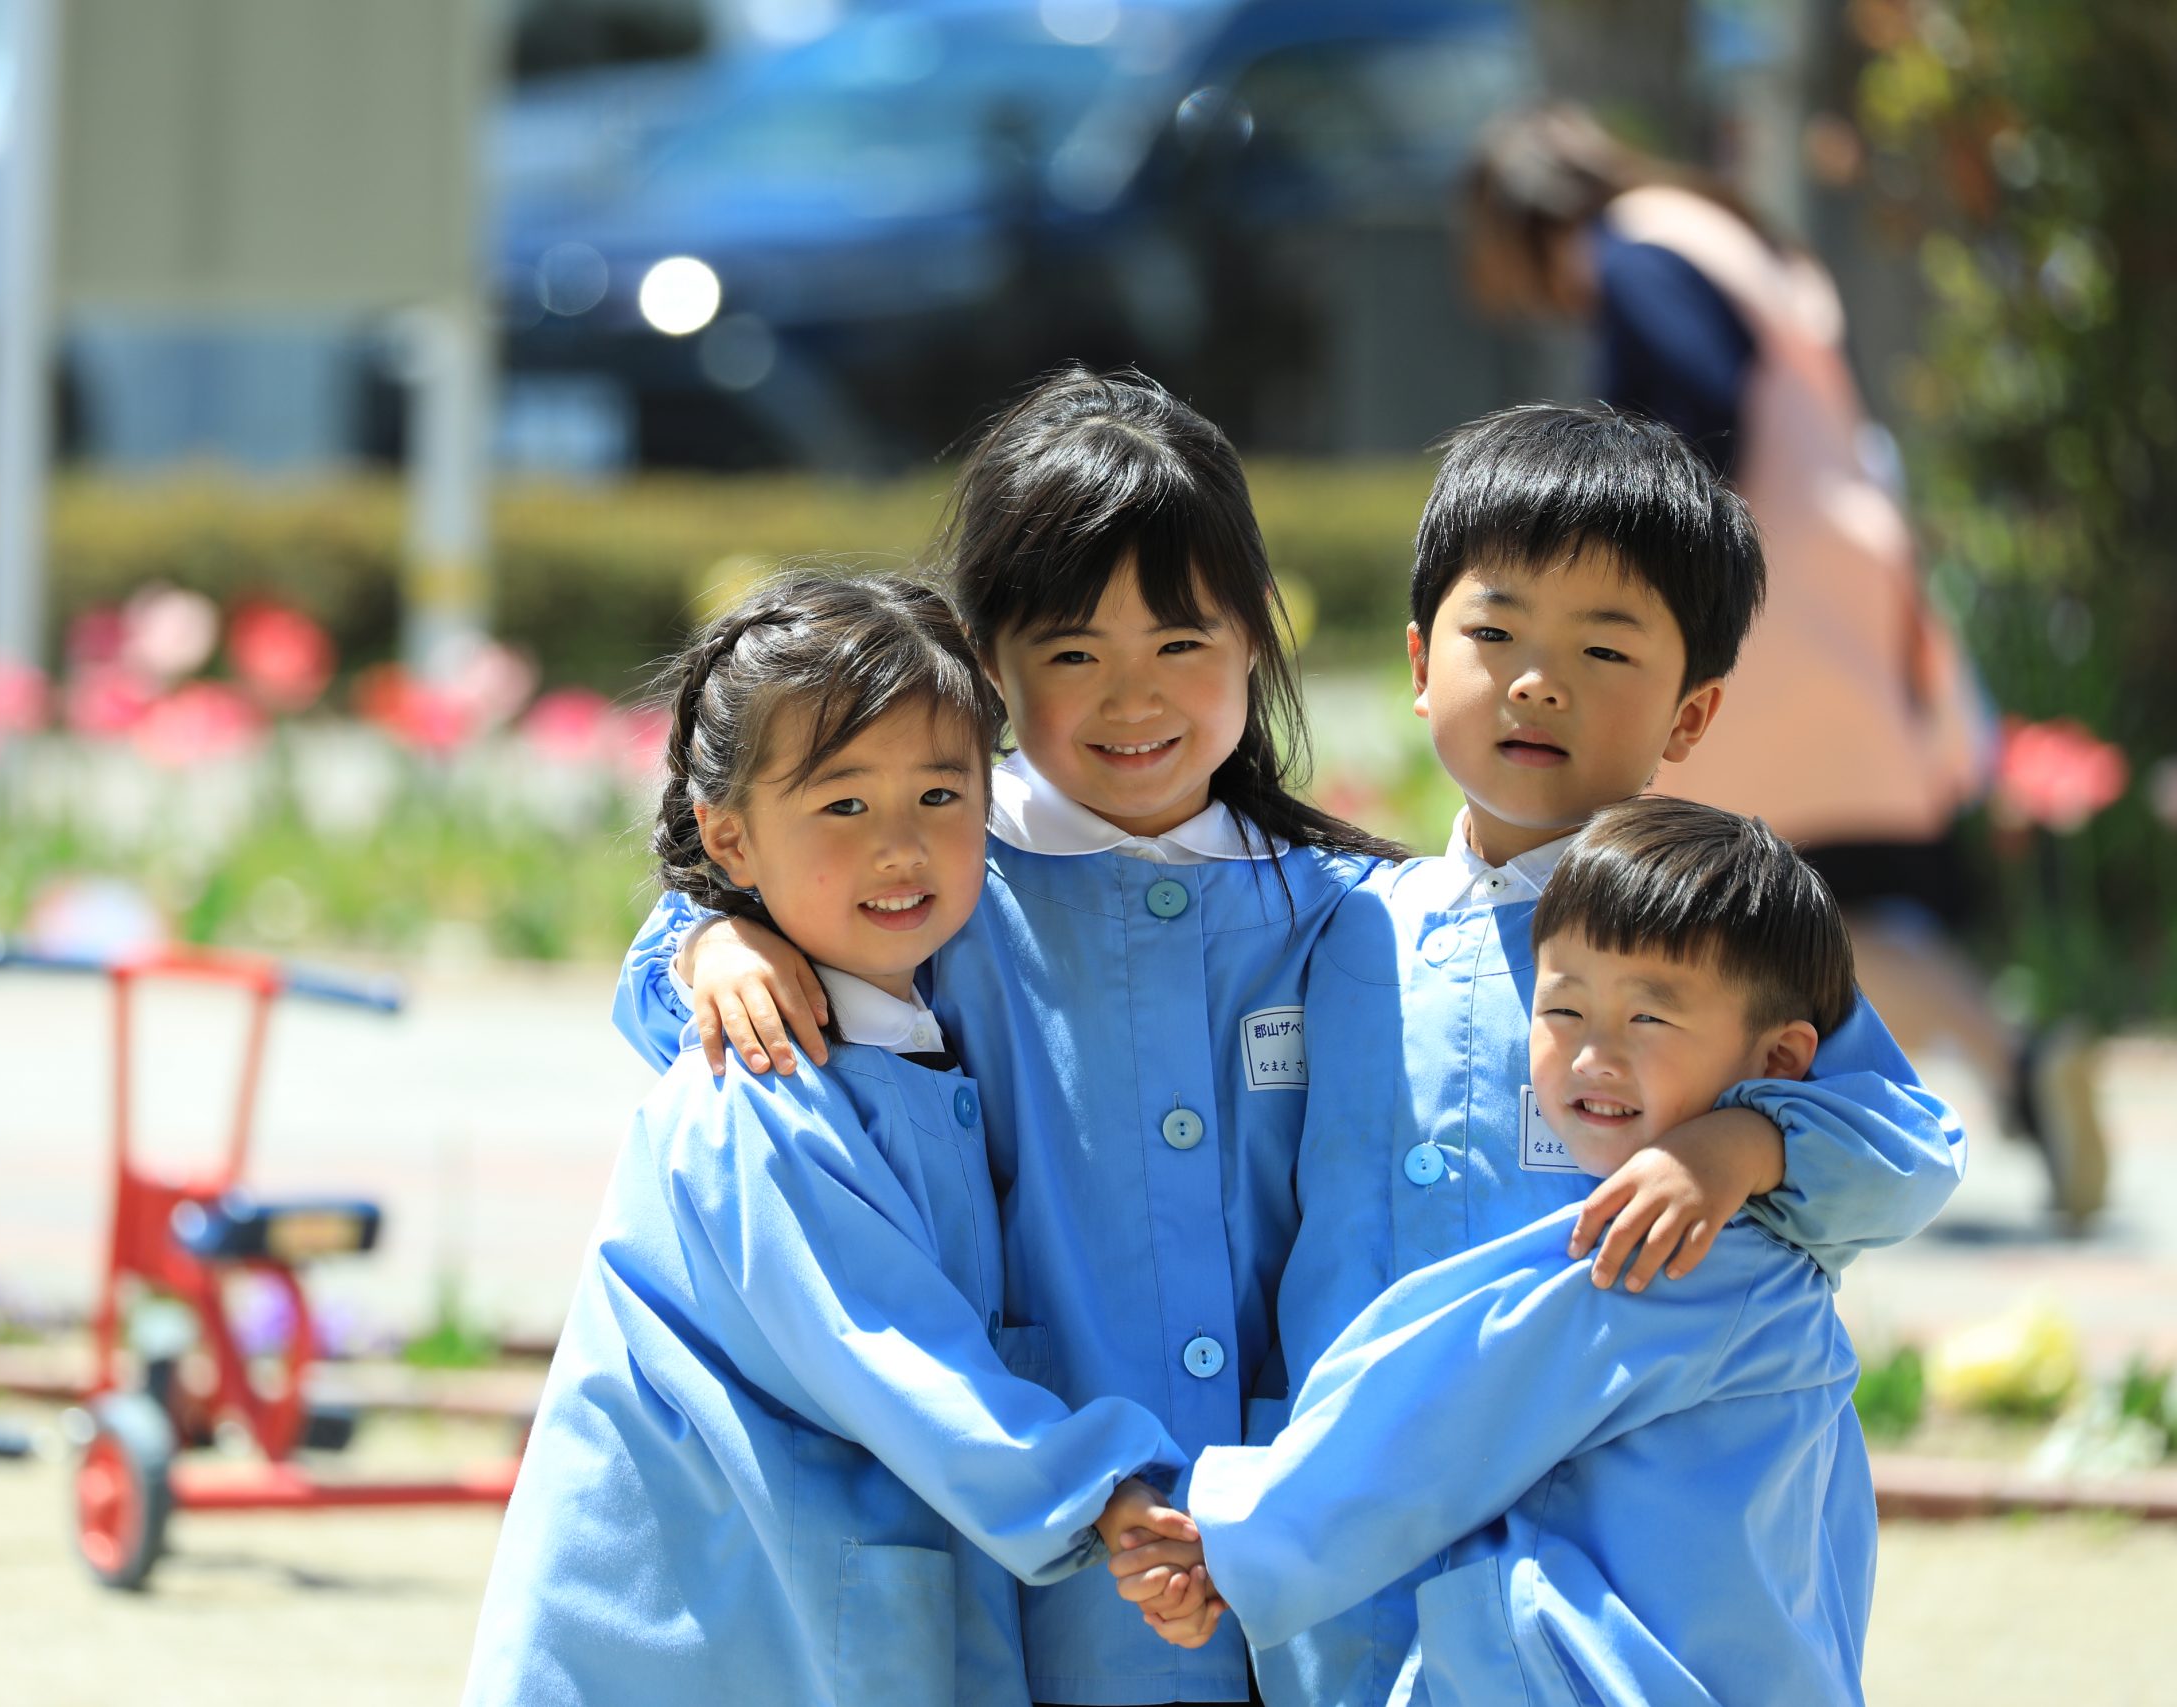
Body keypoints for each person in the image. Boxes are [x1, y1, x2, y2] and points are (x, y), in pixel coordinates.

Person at [610, 373, 1948, 1706]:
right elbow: (776, 949)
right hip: (1172, 1571)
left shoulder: (1343, 909)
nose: (1132, 694)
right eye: (1074, 651)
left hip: (1553, 1576)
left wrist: (1751, 1139)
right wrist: (707, 940)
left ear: (1256, 639)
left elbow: (1889, 1129)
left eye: (1183, 642)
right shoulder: (982, 887)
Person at [1242, 402, 1961, 1707]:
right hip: (1358, 1545)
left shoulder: (1722, 936)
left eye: (1603, 647)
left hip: (1618, 1576)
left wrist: (1745, 1141)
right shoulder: (1330, 927)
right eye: (1496, 630)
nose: (1538, 678)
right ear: (1418, 658)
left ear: (1693, 714)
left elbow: (1908, 1153)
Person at [461, 572, 1204, 1707]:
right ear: (728, 838)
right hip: (687, 1631)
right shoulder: (750, 1089)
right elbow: (888, 1346)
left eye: (941, 798)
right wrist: (1097, 1491)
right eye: (843, 806)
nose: (900, 849)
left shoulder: (919, 1023)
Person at [1460, 102, 2104, 1227]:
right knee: (1817, 892)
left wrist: (1617, 561)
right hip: (1837, 574)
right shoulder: (1722, 230)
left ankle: (1965, 1075)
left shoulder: (1636, 250)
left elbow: (1686, 414)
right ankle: (2015, 1062)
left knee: (1734, 889)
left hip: (1759, 601)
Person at [1114, 796, 1877, 1707]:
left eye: (1651, 1019)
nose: (1595, 1054)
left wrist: (1221, 1531)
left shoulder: (1672, 1252)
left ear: (1782, 1059)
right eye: (1563, 1008)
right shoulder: (1773, 1241)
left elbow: (1441, 1413)